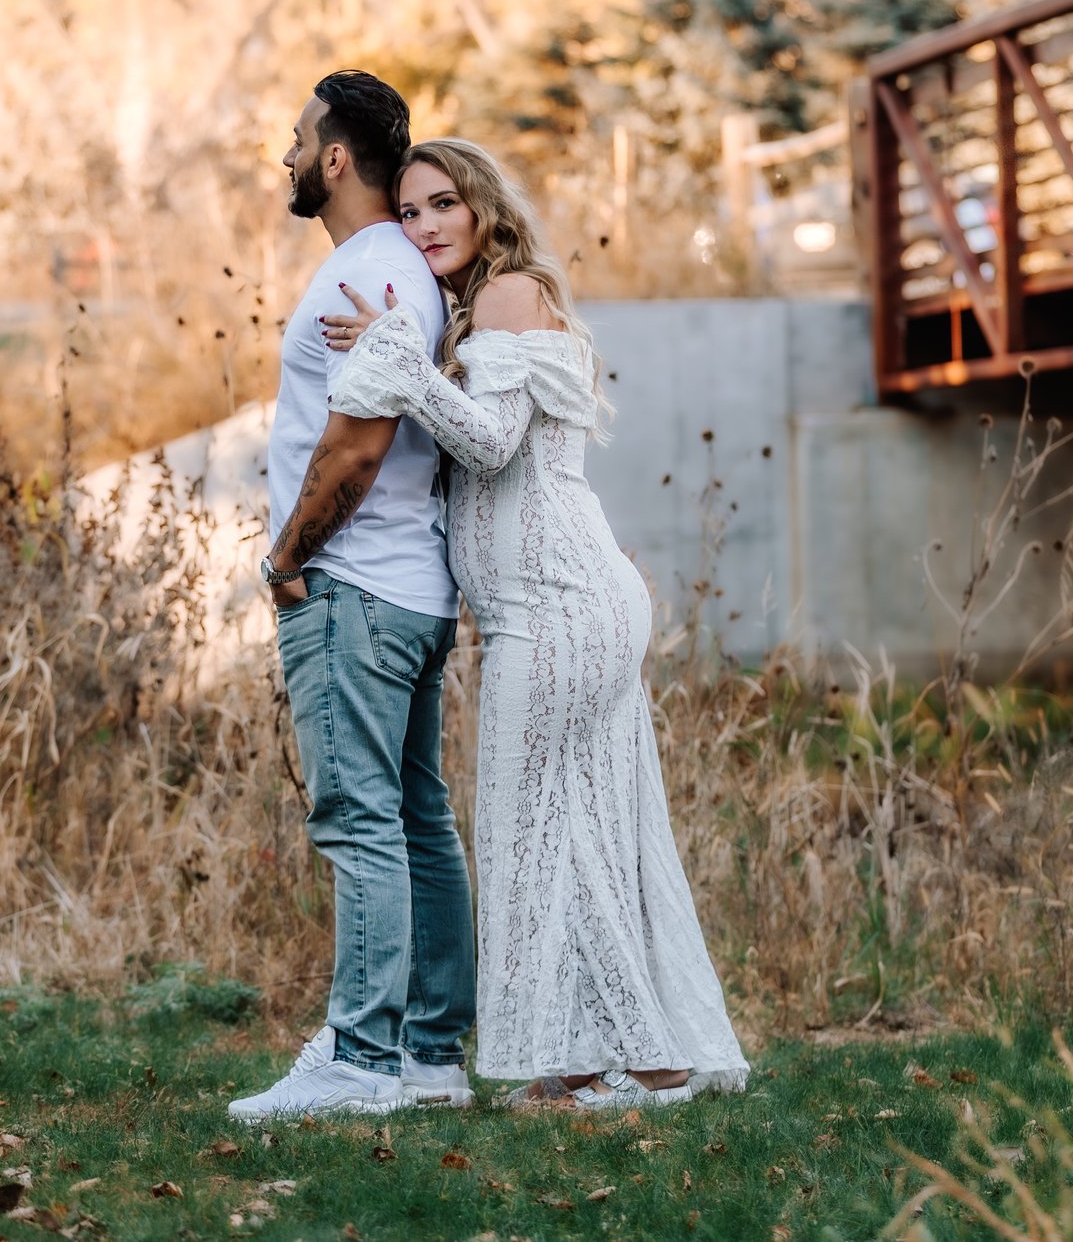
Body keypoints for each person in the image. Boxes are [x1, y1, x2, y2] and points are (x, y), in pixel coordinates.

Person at [318, 137, 747, 1110]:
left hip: (555, 604)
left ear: (482, 208)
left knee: (529, 828)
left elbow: (492, 439)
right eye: (411, 211)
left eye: (442, 205)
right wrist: (413, 355)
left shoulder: (508, 294)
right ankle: (613, 1060)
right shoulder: (479, 309)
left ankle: (628, 1058)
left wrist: (398, 363)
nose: (424, 225)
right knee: (577, 827)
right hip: (551, 603)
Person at [228, 71, 478, 1122]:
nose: (287, 155)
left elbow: (357, 445)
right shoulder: (400, 274)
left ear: (334, 156)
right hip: (411, 590)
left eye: (297, 139)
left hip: (355, 589)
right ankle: (429, 1053)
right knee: (419, 819)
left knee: (363, 817)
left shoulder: (365, 273)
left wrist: (288, 559)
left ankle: (364, 1058)